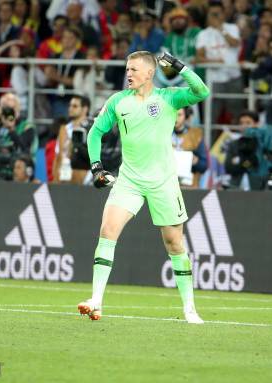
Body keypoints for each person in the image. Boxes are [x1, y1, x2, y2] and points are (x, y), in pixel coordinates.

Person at [77, 51, 210, 324]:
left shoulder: (169, 97)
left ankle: (190, 309)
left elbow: (202, 91)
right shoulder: (118, 101)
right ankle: (96, 300)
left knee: (174, 243)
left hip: (163, 182)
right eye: (127, 69)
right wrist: (97, 167)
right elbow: (95, 132)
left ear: (150, 73)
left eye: (135, 70)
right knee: (107, 230)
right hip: (130, 180)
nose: (129, 74)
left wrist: (180, 67)